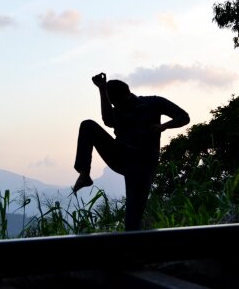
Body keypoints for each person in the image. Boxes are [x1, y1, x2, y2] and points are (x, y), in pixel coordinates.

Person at [73, 72, 190, 231]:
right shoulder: (116, 111)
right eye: (113, 104)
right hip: (121, 156)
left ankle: (136, 253)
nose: (116, 107)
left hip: (144, 163)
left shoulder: (154, 102)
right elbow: (108, 121)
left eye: (117, 102)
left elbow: (184, 116)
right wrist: (101, 89)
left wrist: (164, 126)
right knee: (88, 125)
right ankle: (84, 173)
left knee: (132, 221)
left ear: (127, 94)